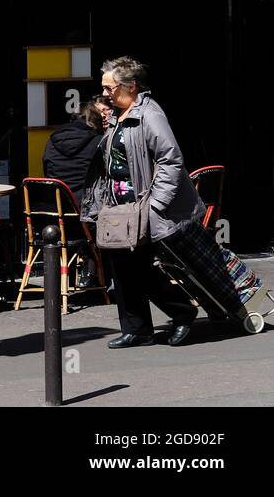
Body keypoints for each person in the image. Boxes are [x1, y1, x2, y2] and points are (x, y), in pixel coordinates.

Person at [92, 56, 205, 349]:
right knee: (122, 268)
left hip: (141, 205)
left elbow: (171, 159)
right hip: (119, 205)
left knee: (139, 268)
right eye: (104, 88)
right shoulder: (117, 113)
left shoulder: (149, 115)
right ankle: (136, 329)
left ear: (130, 86)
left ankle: (182, 311)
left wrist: (158, 203)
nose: (105, 94)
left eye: (110, 88)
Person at [42, 98, 112, 200]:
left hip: (55, 201)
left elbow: (46, 170)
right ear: (95, 120)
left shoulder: (52, 140)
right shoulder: (99, 141)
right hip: (86, 203)